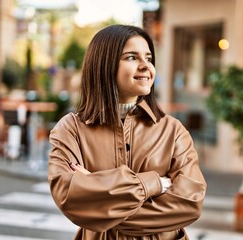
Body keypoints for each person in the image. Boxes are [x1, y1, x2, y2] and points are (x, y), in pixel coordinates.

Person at [48, 24, 206, 240]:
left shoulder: (173, 130)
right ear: (104, 64)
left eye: (149, 58)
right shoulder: (71, 129)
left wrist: (99, 194)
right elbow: (69, 198)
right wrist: (156, 183)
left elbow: (189, 203)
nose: (145, 66)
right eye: (132, 57)